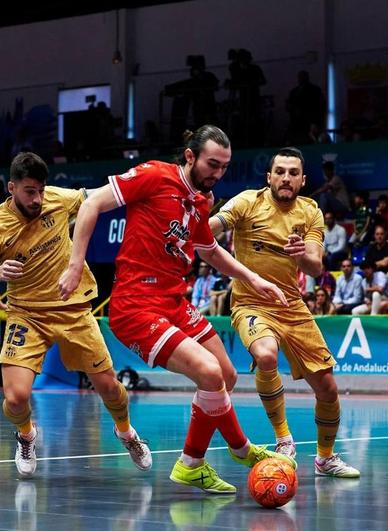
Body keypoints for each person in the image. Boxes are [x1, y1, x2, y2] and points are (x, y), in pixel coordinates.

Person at [59, 126, 297, 494]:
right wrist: (76, 264)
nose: (217, 173)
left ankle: (191, 464)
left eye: (224, 167)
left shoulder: (201, 202)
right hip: (135, 305)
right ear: (190, 156)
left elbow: (211, 251)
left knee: (226, 377)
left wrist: (255, 279)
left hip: (174, 301)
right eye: (212, 164)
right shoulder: (154, 175)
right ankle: (241, 448)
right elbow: (91, 204)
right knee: (208, 371)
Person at [0, 152, 152, 479]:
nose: (38, 198)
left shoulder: (59, 199)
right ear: (12, 188)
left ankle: (126, 432)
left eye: (42, 190)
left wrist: (140, 184)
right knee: (15, 398)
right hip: (26, 314)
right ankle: (27, 436)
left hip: (72, 309)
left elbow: (99, 198)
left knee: (111, 388)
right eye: (30, 191)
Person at [208, 146, 360, 478]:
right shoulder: (249, 201)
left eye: (293, 173)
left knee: (328, 389)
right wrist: (202, 224)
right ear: (269, 177)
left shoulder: (311, 212)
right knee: (265, 355)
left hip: (292, 306)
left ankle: (325, 458)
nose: (286, 178)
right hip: (250, 303)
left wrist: (300, 255)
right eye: (280, 171)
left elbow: (317, 267)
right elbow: (215, 225)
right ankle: (283, 439)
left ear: (303, 180)